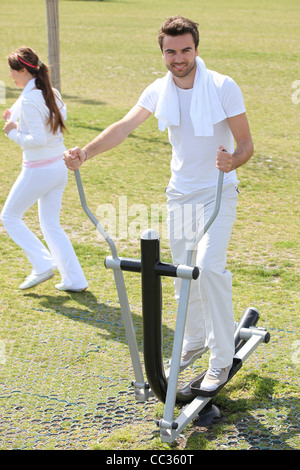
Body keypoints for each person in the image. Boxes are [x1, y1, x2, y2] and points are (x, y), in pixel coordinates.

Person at [63, 16, 253, 392]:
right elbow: (123, 126)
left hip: (217, 192)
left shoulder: (222, 86)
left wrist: (233, 160)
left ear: (196, 49)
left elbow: (246, 143)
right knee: (184, 274)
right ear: (162, 52)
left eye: (185, 50)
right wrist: (85, 152)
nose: (178, 58)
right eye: (171, 51)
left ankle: (220, 359)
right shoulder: (158, 89)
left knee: (210, 268)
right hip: (179, 195)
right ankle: (193, 340)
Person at [1, 46, 88, 292]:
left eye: (12, 71)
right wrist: (18, 120)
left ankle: (42, 263)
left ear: (23, 71)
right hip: (57, 169)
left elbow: (37, 139)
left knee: (8, 217)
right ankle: (75, 280)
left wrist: (12, 132)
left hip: (38, 170)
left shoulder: (30, 99)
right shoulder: (52, 93)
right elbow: (52, 127)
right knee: (51, 224)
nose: (10, 76)